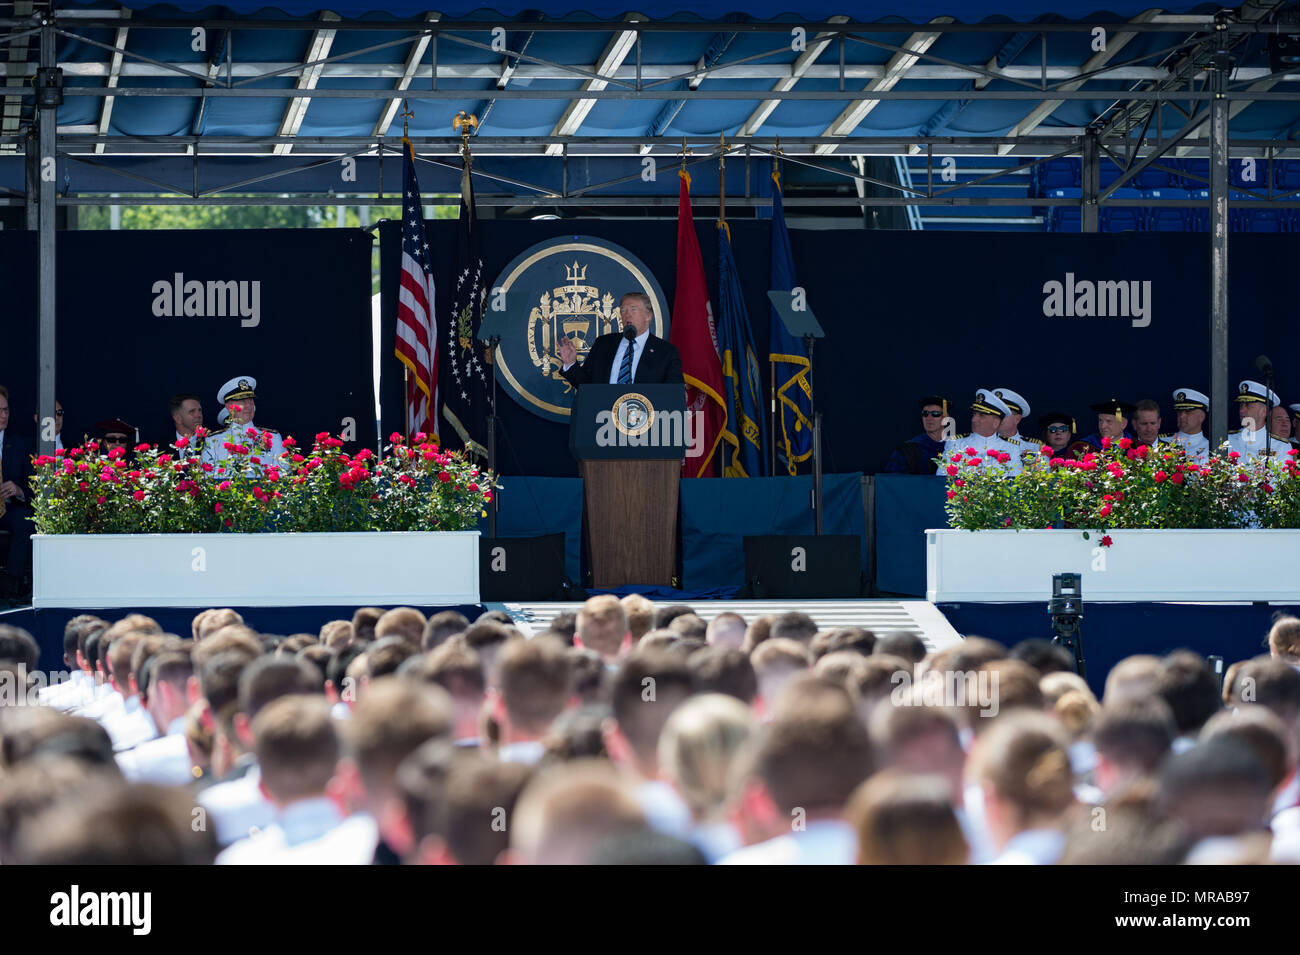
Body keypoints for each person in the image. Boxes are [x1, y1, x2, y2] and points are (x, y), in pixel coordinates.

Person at [558, 292, 684, 387]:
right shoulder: (603, 344)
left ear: (648, 316)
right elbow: (586, 386)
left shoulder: (666, 352)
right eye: (623, 310)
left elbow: (673, 393)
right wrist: (570, 363)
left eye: (633, 310)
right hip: (604, 416)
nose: (627, 315)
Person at [202, 376, 286, 470]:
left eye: (250, 400)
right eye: (241, 401)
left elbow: (282, 473)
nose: (248, 405)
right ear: (229, 406)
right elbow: (208, 476)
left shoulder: (273, 437)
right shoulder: (214, 441)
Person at [935, 389, 1020, 475]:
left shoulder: (1012, 448)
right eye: (974, 414)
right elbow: (941, 478)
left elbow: (1018, 482)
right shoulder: (955, 444)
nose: (974, 419)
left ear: (996, 423)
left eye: (981, 416)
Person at [0, 386, 34, 598]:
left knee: (25, 520)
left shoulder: (20, 444)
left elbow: (33, 487)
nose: (3, 415)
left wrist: (18, 490)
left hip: (10, 508)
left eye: (6, 410)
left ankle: (12, 584)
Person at [883, 395, 949, 474]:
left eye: (935, 414)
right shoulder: (908, 450)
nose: (929, 418)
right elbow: (892, 481)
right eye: (925, 413)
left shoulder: (956, 448)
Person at [1226, 379, 1282, 460]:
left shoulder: (1280, 446)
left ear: (1264, 411)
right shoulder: (1227, 440)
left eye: (1248, 405)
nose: (1241, 410)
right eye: (1241, 405)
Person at [993, 387, 1043, 465]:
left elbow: (1043, 475)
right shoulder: (976, 444)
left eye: (1003, 414)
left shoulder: (1034, 447)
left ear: (1017, 419)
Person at [1170, 387, 1210, 463]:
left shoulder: (1210, 447)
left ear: (1202, 417)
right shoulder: (1163, 442)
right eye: (1179, 411)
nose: (1181, 416)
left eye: (1188, 411)